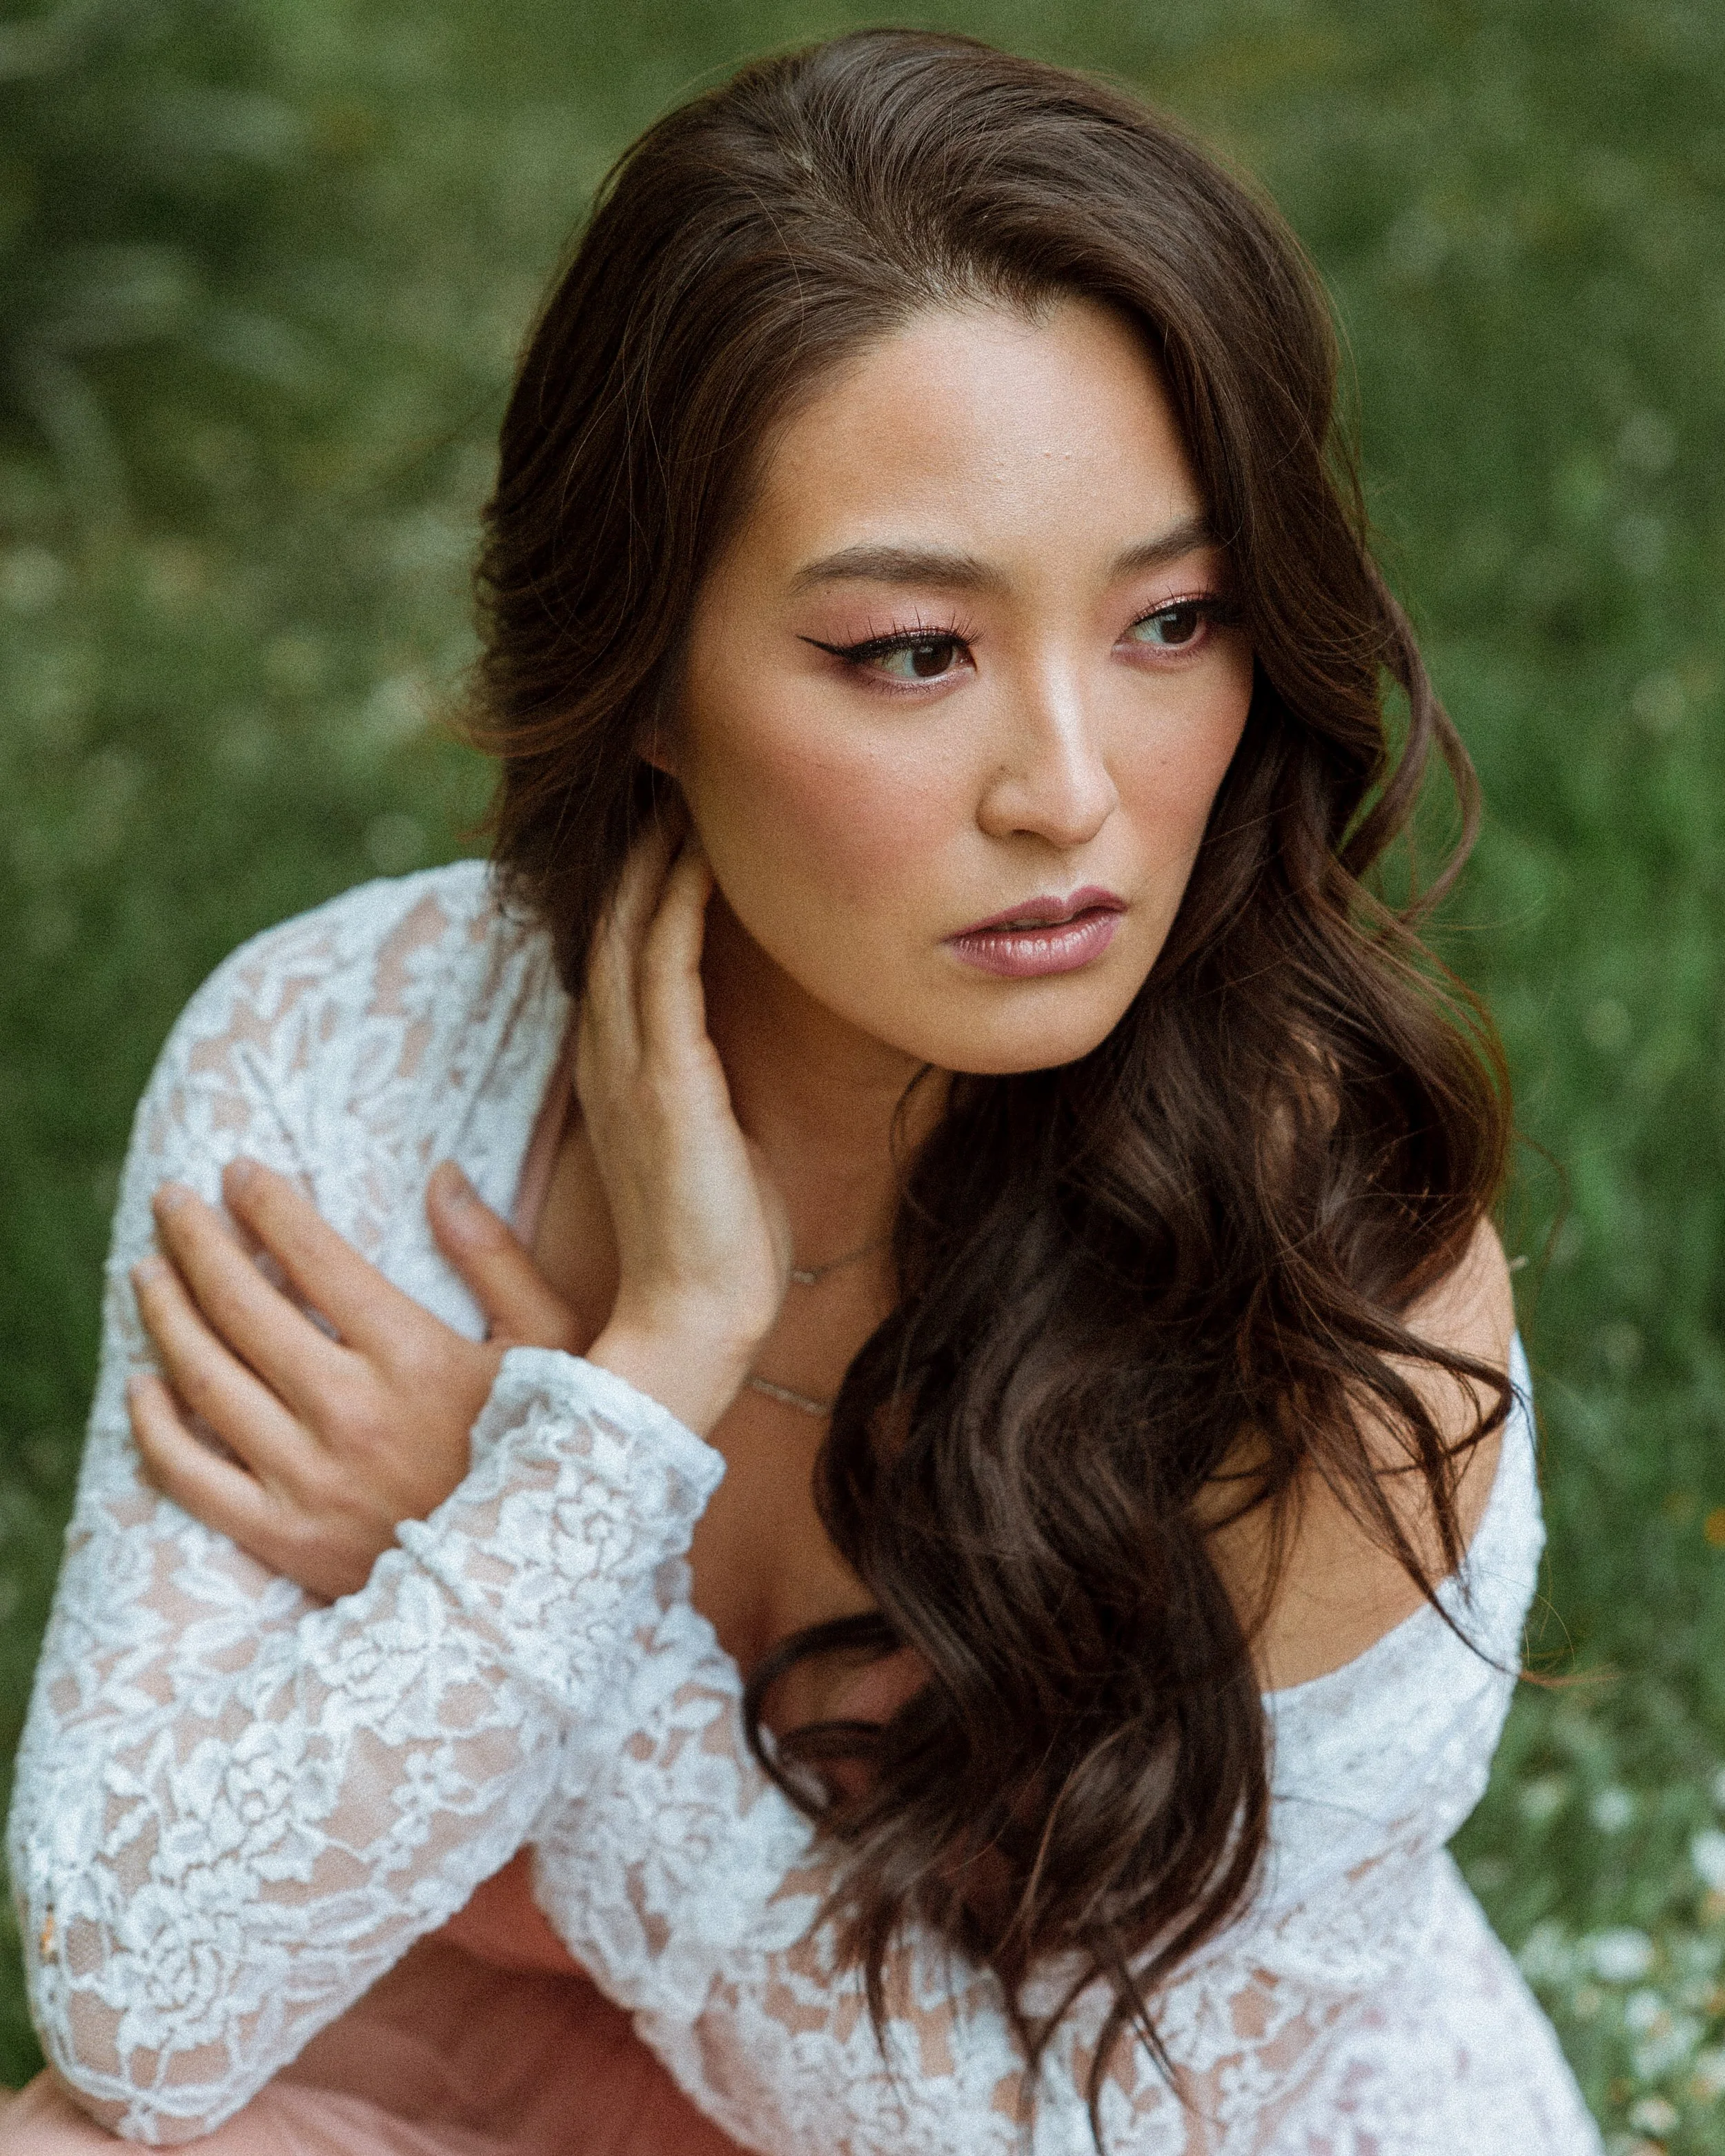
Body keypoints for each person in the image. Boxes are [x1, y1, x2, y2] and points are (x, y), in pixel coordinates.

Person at [2, 28, 1601, 2155]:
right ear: (647, 666)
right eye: (911, 653)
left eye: (1174, 617)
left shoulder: (1336, 1285)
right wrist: (641, 1382)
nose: (1071, 793)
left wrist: (486, 1533)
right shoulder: (348, 1059)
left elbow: (1091, 2134)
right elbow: (138, 1993)